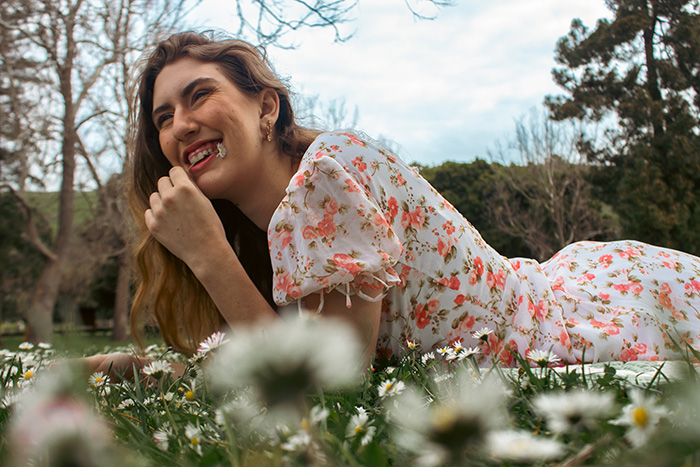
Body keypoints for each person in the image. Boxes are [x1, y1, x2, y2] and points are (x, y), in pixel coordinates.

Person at [90, 31, 700, 376]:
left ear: (266, 107)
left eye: (200, 96)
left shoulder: (328, 175)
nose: (182, 125)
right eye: (164, 118)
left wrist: (208, 256)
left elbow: (327, 392)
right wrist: (148, 371)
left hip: (583, 325)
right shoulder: (280, 227)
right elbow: (276, 348)